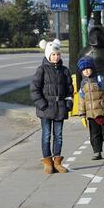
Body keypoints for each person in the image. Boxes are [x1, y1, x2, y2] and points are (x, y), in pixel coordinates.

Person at [30, 39, 73, 174]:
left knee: (58, 135)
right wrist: (42, 104)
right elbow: (34, 89)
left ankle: (57, 162)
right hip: (46, 109)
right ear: (48, 55)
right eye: (53, 54)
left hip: (60, 107)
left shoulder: (64, 71)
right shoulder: (41, 70)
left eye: (58, 54)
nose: (56, 57)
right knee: (46, 135)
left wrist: (68, 103)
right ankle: (47, 162)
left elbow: (69, 89)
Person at [76, 56, 104, 160]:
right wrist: (82, 115)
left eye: (88, 69)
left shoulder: (99, 79)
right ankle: (97, 151)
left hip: (103, 112)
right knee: (94, 134)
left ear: (92, 68)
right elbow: (82, 100)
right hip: (91, 115)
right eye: (84, 70)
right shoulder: (82, 84)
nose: (86, 71)